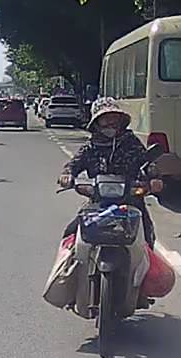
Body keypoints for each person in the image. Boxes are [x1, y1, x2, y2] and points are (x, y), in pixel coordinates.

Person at [57, 97, 156, 247]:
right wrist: (67, 174)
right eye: (105, 118)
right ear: (97, 123)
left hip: (130, 201)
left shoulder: (131, 143)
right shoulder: (90, 147)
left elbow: (147, 163)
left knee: (147, 234)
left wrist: (154, 177)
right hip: (98, 203)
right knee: (71, 233)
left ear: (120, 120)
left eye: (113, 117)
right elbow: (74, 164)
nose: (110, 122)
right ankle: (67, 262)